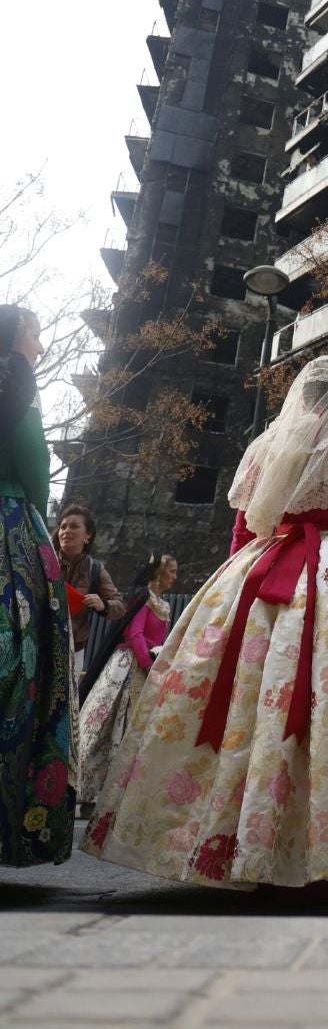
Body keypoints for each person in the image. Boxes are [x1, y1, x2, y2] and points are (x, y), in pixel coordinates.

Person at [83, 355, 328, 886]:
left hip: (263, 571)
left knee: (249, 701)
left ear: (302, 397)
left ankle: (235, 837)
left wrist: (232, 589)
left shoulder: (266, 446)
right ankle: (318, 841)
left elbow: (243, 531)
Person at [0, 304, 75, 867]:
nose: (41, 347)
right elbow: (33, 466)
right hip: (10, 534)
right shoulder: (16, 384)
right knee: (21, 672)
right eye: (36, 333)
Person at [77, 552, 178, 813]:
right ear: (158, 573)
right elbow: (135, 633)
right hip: (128, 666)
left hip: (147, 667)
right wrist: (147, 664)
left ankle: (116, 794)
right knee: (106, 723)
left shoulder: (162, 604)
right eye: (172, 571)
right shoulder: (143, 598)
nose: (175, 577)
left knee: (131, 728)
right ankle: (87, 791)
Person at [53, 503, 124, 674]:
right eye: (63, 526)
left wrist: (104, 605)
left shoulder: (96, 570)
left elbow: (120, 607)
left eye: (74, 526)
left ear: (88, 535)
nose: (66, 531)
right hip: (37, 643)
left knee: (65, 700)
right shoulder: (43, 562)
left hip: (73, 651)